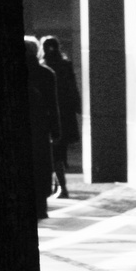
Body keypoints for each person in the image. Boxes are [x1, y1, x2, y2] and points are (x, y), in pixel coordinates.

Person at [25, 37, 60, 220]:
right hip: (39, 128)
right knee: (40, 166)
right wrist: (56, 131)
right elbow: (53, 106)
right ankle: (40, 207)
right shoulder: (46, 74)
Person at [42, 35, 79, 198]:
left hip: (50, 115)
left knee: (53, 152)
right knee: (60, 151)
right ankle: (59, 185)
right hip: (66, 115)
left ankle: (61, 187)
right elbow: (73, 89)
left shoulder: (44, 67)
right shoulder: (66, 65)